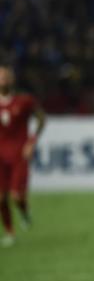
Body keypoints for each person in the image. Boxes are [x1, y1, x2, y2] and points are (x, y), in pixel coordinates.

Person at [0, 65, 46, 247]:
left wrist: (32, 141)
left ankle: (25, 213)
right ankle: (10, 232)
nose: (2, 80)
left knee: (16, 196)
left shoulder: (24, 101)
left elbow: (42, 118)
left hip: (19, 153)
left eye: (5, 76)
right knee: (1, 198)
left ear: (12, 80)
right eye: (0, 76)